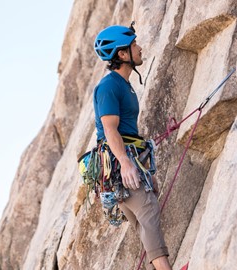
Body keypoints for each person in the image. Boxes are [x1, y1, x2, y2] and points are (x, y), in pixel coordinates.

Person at [93, 23, 172, 270]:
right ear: (122, 54)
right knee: (147, 213)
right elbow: (110, 129)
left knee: (142, 220)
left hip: (125, 160)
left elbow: (126, 133)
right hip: (120, 162)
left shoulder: (123, 85)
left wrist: (144, 170)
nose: (139, 47)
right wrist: (126, 164)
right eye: (134, 44)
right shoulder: (108, 86)